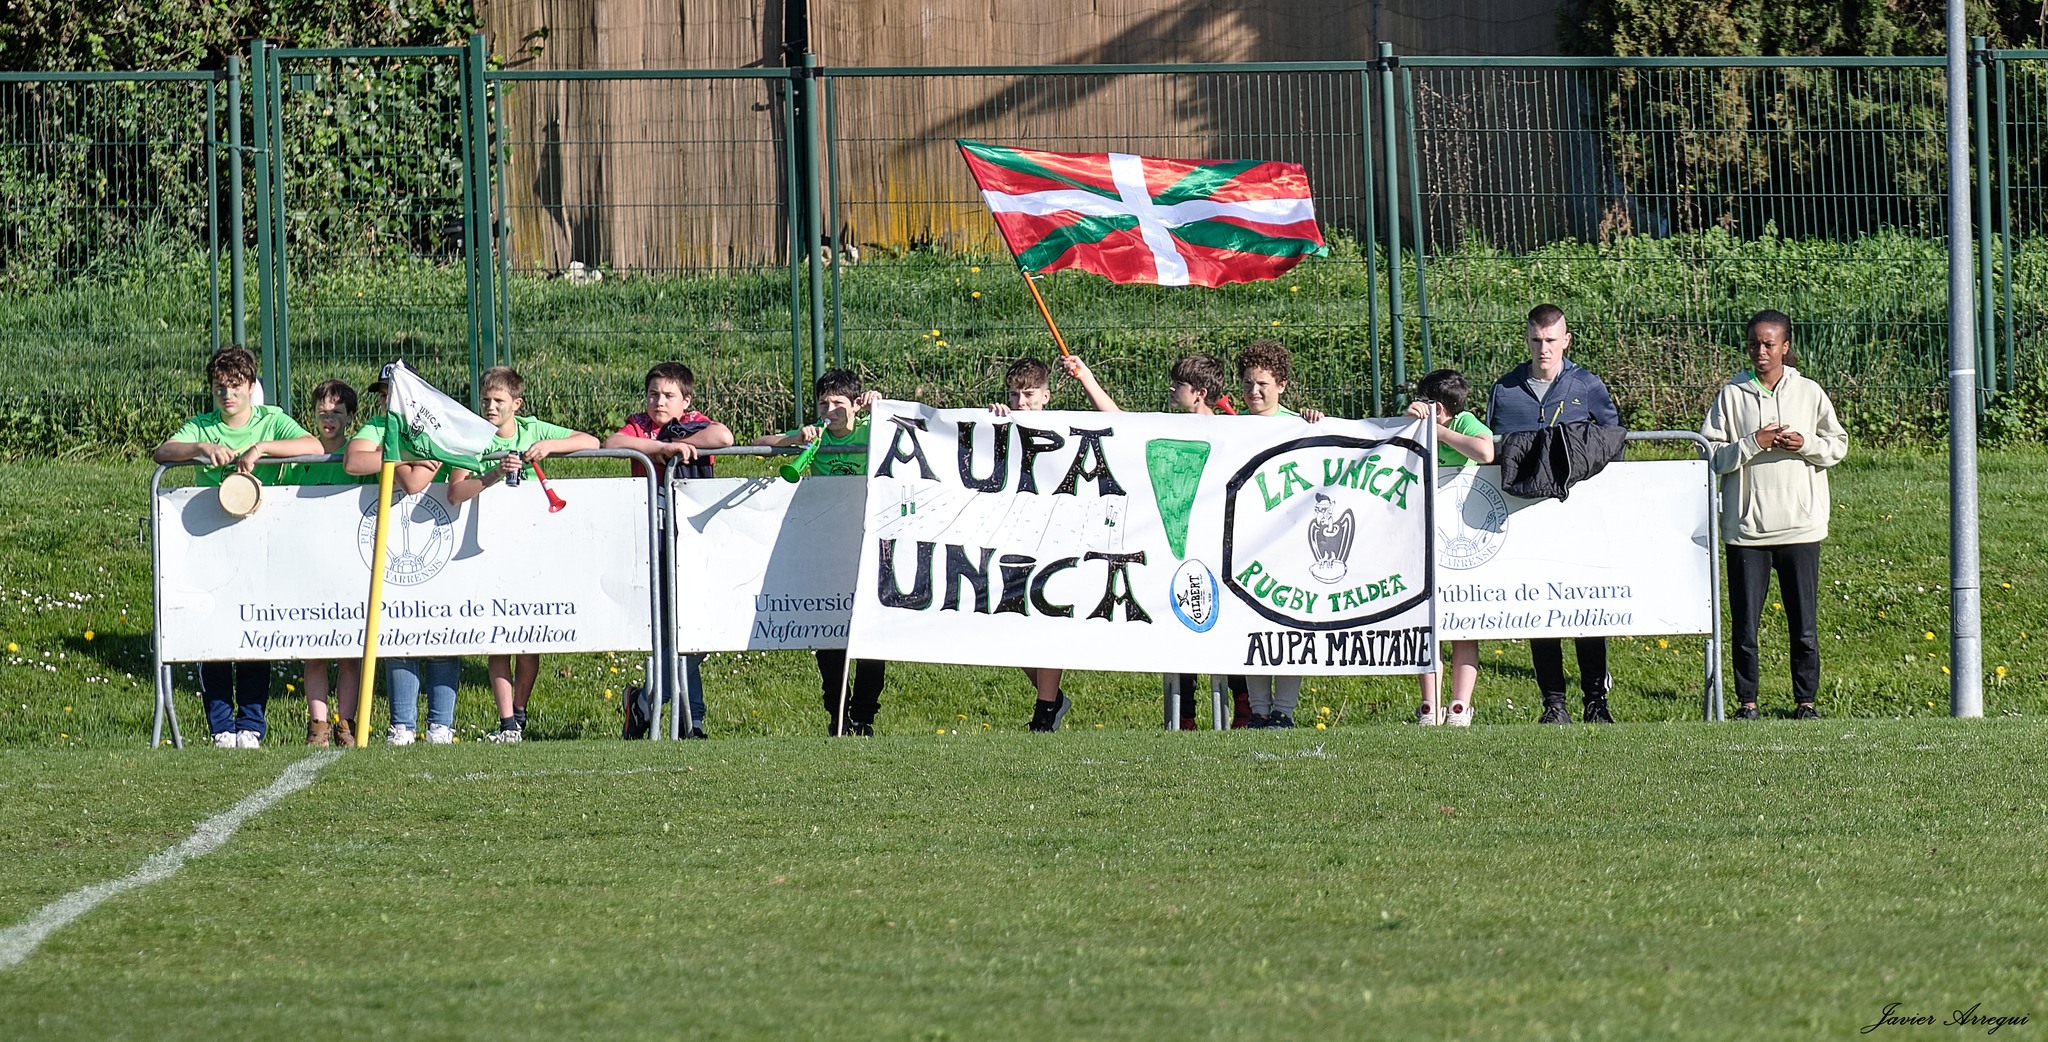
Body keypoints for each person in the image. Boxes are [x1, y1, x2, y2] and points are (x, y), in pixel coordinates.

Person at [152, 346, 323, 748]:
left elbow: (314, 446)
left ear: (250, 387)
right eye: (220, 388)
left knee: (253, 633)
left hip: (260, 544)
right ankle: (221, 728)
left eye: (235, 387)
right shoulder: (204, 425)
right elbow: (162, 452)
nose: (227, 395)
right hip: (210, 543)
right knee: (212, 635)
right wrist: (201, 449)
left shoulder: (270, 419)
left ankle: (251, 725)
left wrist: (260, 449)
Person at [1063, 351, 1234, 728]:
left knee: (1227, 625)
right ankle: (1184, 714)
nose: (1171, 389)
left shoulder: (1231, 430)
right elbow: (1119, 421)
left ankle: (1243, 708)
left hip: (1220, 545)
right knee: (1181, 625)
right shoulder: (1166, 426)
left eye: (1179, 385)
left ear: (1200, 393)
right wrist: (1086, 377)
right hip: (1175, 546)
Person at [1701, 310, 1848, 720]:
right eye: (1754, 344)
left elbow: (1837, 445)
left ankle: (1806, 702)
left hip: (1801, 527)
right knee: (1745, 627)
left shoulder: (1810, 392)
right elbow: (1710, 455)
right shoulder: (1732, 395)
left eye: (1769, 344)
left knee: (1804, 625)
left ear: (1785, 346)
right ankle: (1747, 703)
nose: (1760, 352)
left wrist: (1805, 444)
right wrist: (1754, 442)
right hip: (1747, 530)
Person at [447, 367, 600, 743]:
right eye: (486, 400)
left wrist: (549, 446)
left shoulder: (532, 429)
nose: (490, 407)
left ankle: (520, 711)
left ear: (516, 404)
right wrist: (494, 474)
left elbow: (592, 441)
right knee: (498, 636)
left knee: (529, 634)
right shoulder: (472, 437)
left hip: (533, 547)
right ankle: (506, 723)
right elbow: (455, 493)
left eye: (499, 401)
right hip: (488, 546)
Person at [1487, 303, 1623, 724]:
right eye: (1536, 340)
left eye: (1551, 340)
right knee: (1540, 611)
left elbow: (1615, 440)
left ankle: (1596, 702)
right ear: (1527, 340)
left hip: (1580, 522)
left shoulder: (1587, 384)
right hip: (1526, 521)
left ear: (1566, 340)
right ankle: (1553, 704)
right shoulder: (1505, 389)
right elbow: (1491, 454)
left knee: (1586, 610)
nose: (1543, 348)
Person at [603, 362, 734, 737]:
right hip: (655, 539)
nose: (659, 402)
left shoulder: (694, 424)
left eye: (668, 395)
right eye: (653, 394)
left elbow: (724, 437)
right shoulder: (640, 426)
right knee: (671, 629)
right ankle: (693, 721)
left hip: (695, 537)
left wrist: (685, 443)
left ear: (686, 400)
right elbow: (612, 443)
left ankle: (645, 703)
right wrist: (661, 448)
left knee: (702, 626)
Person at [751, 368, 885, 736]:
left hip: (867, 544)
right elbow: (760, 442)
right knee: (828, 631)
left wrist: (883, 406)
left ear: (856, 405)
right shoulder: (816, 434)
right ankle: (837, 714)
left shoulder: (872, 428)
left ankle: (864, 716)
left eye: (839, 403)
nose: (830, 411)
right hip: (827, 545)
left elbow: (913, 428)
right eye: (824, 403)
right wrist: (796, 437)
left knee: (870, 632)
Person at [344, 382, 461, 746]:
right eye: (383, 395)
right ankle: (402, 725)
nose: (386, 401)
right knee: (398, 630)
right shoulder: (378, 426)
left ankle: (441, 724)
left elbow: (414, 482)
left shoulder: (435, 426)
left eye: (392, 394)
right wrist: (404, 454)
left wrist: (390, 457)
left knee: (441, 631)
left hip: (438, 535)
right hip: (391, 540)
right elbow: (353, 461)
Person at [1234, 339, 1324, 728]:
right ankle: (1258, 710)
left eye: (1263, 384)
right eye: (1248, 383)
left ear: (1282, 385)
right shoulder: (1232, 426)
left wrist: (1316, 421)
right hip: (1246, 542)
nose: (1254, 391)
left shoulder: (1299, 424)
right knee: (1252, 625)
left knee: (1290, 625)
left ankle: (1284, 711)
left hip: (1290, 541)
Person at [1405, 368, 1496, 727]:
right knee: (1426, 623)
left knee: (1462, 625)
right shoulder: (1415, 422)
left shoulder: (1464, 422)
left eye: (1426, 402)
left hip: (1461, 543)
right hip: (1423, 538)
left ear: (1441, 408)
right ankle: (1430, 705)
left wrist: (1439, 433)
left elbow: (1485, 451)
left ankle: (1459, 705)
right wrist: (1410, 421)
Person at [988, 358, 1074, 732]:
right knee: (1003, 622)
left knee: (1047, 621)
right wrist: (994, 424)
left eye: (1028, 394)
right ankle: (1053, 699)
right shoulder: (1005, 424)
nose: (1021, 402)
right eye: (1014, 395)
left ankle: (1044, 710)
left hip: (1054, 536)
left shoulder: (1064, 429)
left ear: (1046, 396)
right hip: (1011, 535)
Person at [285, 378, 371, 747]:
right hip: (310, 564)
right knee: (315, 650)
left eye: (337, 412)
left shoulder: (358, 454)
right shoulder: (302, 458)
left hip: (351, 563)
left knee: (350, 652)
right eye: (322, 413)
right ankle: (318, 725)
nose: (329, 419)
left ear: (351, 417)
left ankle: (346, 724)